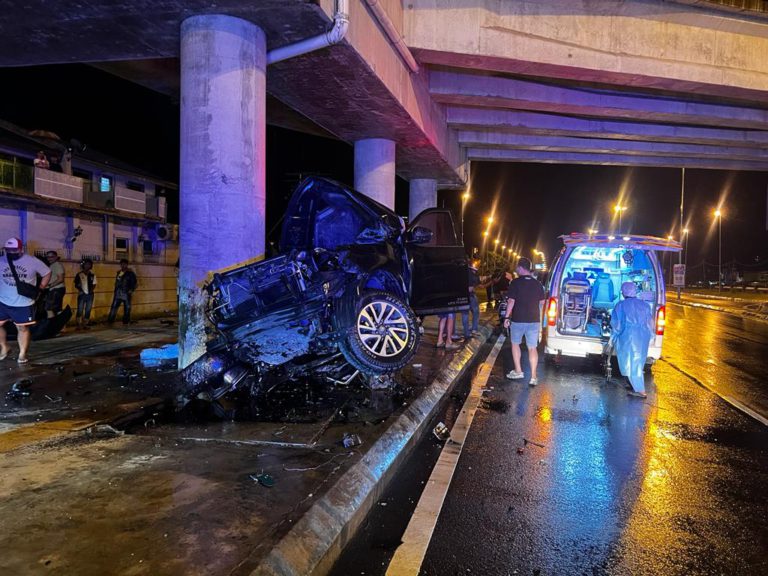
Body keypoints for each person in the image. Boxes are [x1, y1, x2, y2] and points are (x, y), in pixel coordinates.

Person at [0, 237, 51, 363]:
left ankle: (22, 353)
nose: (11, 253)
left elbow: (47, 273)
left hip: (23, 302)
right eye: (8, 250)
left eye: (14, 250)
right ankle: (4, 347)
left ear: (21, 249)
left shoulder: (32, 261)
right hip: (3, 301)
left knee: (22, 328)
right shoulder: (1, 261)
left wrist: (41, 287)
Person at [503, 257, 547, 385]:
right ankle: (533, 377)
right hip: (534, 321)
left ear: (521, 268)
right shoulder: (538, 284)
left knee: (515, 344)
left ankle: (518, 371)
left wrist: (506, 317)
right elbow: (542, 303)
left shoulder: (515, 283)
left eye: (517, 267)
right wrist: (539, 319)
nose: (516, 269)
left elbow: (511, 301)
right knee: (532, 348)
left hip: (518, 320)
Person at [610, 281, 654, 399]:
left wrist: (613, 336)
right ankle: (635, 386)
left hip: (628, 336)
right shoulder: (645, 305)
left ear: (623, 292)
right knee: (638, 361)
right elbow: (650, 323)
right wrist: (652, 336)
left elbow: (617, 324)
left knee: (629, 361)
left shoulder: (621, 305)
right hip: (643, 336)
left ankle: (640, 390)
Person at [107, 259, 137, 325]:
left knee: (127, 307)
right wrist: (116, 289)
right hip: (118, 293)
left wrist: (131, 290)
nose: (123, 265)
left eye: (124, 264)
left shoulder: (130, 273)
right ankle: (110, 320)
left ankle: (126, 321)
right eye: (122, 264)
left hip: (126, 292)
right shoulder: (119, 273)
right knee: (114, 307)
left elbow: (134, 283)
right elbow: (117, 282)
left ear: (127, 265)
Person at [461, 259, 482, 338]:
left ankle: (468, 332)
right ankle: (472, 330)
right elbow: (470, 288)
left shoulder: (473, 273)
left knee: (467, 313)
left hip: (467, 296)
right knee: (471, 312)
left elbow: (479, 285)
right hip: (469, 296)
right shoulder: (470, 273)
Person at [74, 259, 97, 329]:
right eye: (86, 264)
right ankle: (78, 324)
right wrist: (80, 290)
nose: (88, 266)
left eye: (89, 264)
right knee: (80, 309)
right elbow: (76, 284)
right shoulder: (79, 274)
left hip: (90, 295)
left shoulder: (92, 275)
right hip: (81, 294)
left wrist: (91, 291)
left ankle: (85, 324)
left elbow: (94, 284)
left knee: (88, 309)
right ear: (83, 265)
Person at [44, 251, 66, 319]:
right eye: (48, 257)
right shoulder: (53, 265)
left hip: (56, 289)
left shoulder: (57, 265)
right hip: (57, 289)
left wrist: (49, 286)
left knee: (49, 309)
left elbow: (60, 279)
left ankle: (52, 326)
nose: (49, 258)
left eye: (52, 257)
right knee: (58, 309)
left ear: (56, 257)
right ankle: (61, 327)